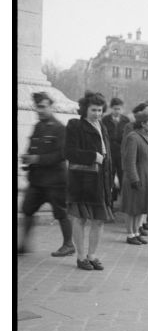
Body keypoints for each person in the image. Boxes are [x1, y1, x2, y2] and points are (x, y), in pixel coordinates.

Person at [19, 91, 74, 257]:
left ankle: (68, 245)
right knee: (27, 209)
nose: (40, 110)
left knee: (61, 213)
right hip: (37, 181)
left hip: (55, 181)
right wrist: (26, 160)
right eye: (37, 107)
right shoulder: (38, 126)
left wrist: (37, 158)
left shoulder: (60, 128)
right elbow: (32, 148)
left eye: (43, 107)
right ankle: (24, 245)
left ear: (51, 107)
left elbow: (61, 155)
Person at [65, 91, 113, 271]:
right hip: (82, 180)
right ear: (85, 109)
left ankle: (92, 256)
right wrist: (93, 156)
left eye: (100, 110)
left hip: (101, 178)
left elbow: (108, 154)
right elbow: (69, 152)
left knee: (99, 220)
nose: (98, 114)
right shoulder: (75, 125)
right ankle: (81, 257)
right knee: (80, 219)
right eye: (94, 110)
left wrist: (111, 174)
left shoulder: (102, 126)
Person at [121, 104, 148, 245]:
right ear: (143, 124)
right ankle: (130, 234)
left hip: (146, 177)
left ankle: (136, 232)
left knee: (140, 207)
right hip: (136, 178)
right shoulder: (133, 137)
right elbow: (130, 161)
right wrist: (134, 179)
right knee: (132, 208)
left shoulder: (147, 137)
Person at [102, 97, 130, 203]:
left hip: (122, 154)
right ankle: (108, 202)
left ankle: (124, 202)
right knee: (109, 178)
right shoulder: (105, 120)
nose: (116, 111)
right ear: (111, 109)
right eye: (114, 108)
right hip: (109, 153)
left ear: (122, 109)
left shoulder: (126, 120)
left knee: (123, 178)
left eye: (119, 109)